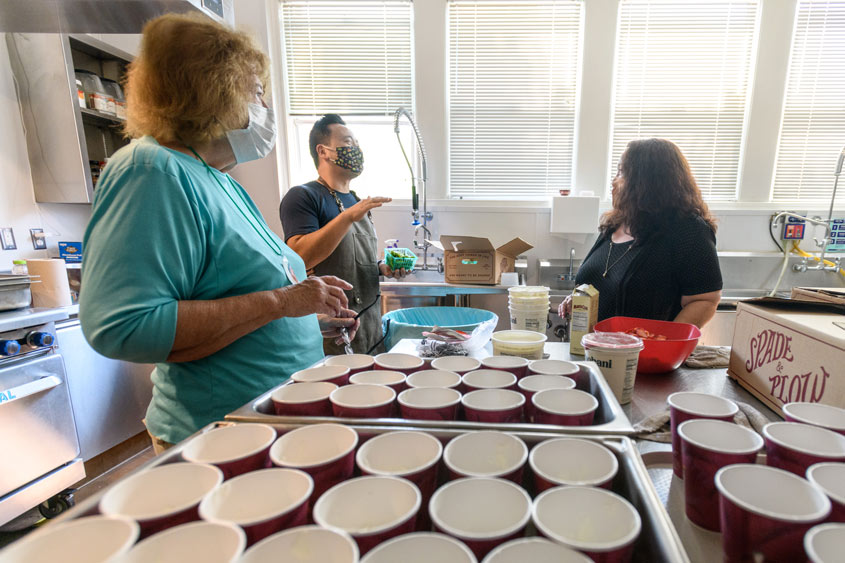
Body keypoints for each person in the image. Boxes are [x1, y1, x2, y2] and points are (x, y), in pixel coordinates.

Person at [80, 13, 358, 452]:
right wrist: (284, 302)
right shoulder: (150, 169)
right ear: (215, 92)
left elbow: (241, 297)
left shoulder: (220, 179)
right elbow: (124, 326)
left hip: (269, 421)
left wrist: (307, 318)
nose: (266, 109)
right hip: (216, 434)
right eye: (259, 93)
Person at [559, 138, 722, 328]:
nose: (613, 181)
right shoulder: (616, 224)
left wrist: (665, 344)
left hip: (646, 355)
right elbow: (602, 283)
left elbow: (705, 300)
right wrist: (578, 299)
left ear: (647, 182)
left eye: (621, 173)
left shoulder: (688, 231)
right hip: (596, 351)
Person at [280, 114, 407, 355]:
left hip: (370, 331)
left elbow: (352, 259)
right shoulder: (303, 196)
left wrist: (381, 267)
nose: (356, 150)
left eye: (357, 145)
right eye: (349, 143)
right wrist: (348, 216)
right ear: (323, 151)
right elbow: (299, 257)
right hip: (333, 333)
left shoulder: (356, 200)